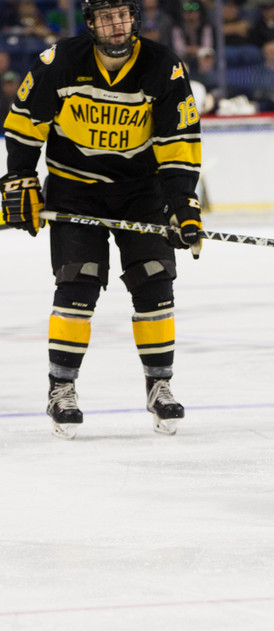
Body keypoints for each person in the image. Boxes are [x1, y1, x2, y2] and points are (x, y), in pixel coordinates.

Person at [1, 0, 203, 439]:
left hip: (141, 189)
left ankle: (159, 384)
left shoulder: (163, 67)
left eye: (123, 15)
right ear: (90, 23)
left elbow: (178, 142)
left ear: (136, 18)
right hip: (75, 187)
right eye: (106, 16)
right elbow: (25, 123)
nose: (117, 24)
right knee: (78, 281)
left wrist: (182, 203)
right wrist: (19, 177)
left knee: (154, 280)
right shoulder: (59, 62)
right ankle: (62, 387)